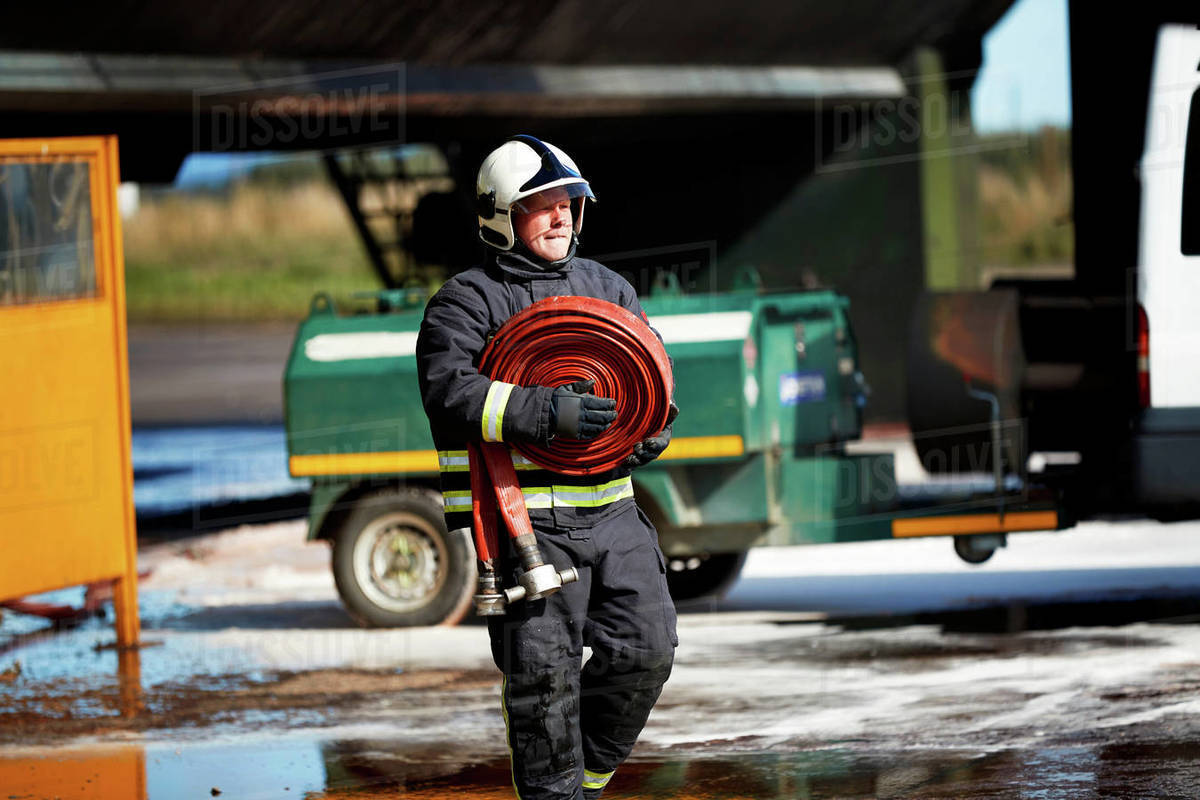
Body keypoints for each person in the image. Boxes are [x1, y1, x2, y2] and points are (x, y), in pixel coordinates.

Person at [415, 135, 677, 800]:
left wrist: (648, 428)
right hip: (525, 525)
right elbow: (449, 392)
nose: (561, 215)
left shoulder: (609, 288)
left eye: (568, 202)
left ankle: (584, 780)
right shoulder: (465, 302)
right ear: (500, 215)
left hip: (614, 514)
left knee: (648, 649)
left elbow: (651, 379)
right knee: (546, 684)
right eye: (542, 204)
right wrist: (540, 412)